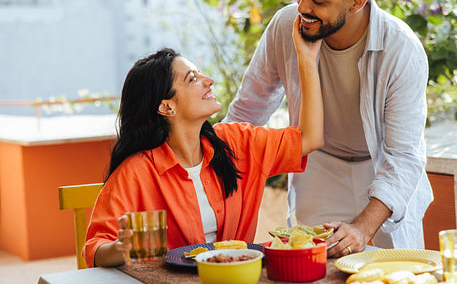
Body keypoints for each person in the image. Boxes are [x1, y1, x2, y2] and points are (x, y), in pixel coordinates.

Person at [224, 0, 433, 257]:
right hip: (319, 166)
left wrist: (362, 228)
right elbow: (247, 112)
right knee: (315, 270)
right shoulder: (285, 26)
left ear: (357, 2)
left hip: (381, 171)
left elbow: (403, 157)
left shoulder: (401, 49)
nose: (302, 7)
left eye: (318, 0)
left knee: (393, 272)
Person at [83, 16, 323, 268]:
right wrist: (122, 248)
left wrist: (306, 58)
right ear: (167, 106)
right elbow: (95, 248)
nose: (208, 80)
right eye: (192, 78)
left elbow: (310, 137)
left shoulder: (237, 142)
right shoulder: (137, 172)